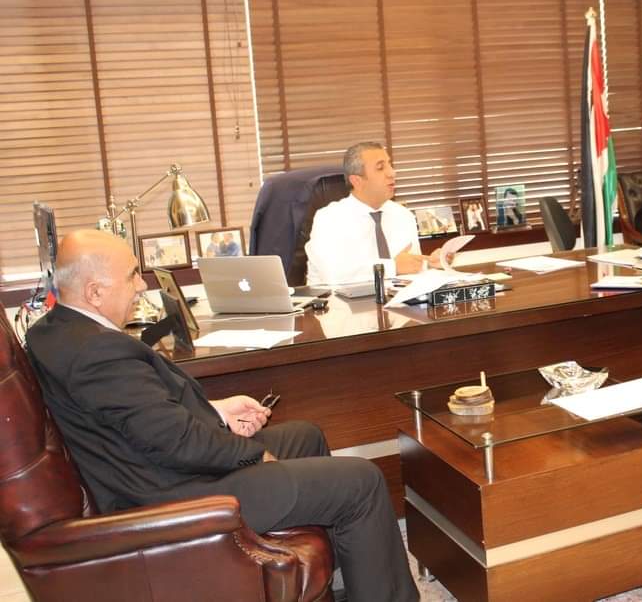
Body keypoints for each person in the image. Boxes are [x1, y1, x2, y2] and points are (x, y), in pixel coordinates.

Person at [25, 229, 419, 602]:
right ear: (95, 292)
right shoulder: (97, 353)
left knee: (305, 435)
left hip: (157, 467)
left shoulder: (52, 330)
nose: (142, 285)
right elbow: (177, 442)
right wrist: (251, 455)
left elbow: (137, 417)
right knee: (361, 481)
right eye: (131, 276)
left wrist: (215, 411)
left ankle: (341, 583)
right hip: (174, 493)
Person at [305, 141, 448, 285]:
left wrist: (429, 264)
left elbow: (410, 271)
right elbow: (334, 275)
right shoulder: (329, 219)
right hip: (339, 299)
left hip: (398, 298)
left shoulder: (403, 216)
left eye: (390, 165)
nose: (392, 173)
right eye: (380, 168)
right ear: (357, 181)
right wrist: (393, 267)